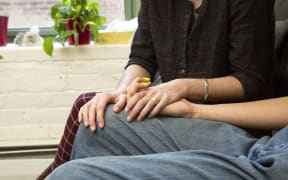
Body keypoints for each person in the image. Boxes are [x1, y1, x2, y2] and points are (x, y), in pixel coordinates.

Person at [37, 0, 275, 179]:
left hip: (230, 123)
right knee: (94, 111)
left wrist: (184, 87)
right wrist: (122, 93)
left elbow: (251, 80)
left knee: (93, 114)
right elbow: (142, 57)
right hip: (175, 113)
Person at [48, 96, 288, 180]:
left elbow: (251, 79)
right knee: (102, 122)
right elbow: (141, 56)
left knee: (71, 176)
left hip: (274, 167)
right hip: (274, 143)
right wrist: (192, 110)